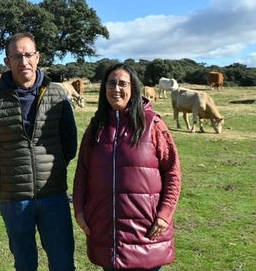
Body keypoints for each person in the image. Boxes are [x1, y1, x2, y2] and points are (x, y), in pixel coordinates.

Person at [0, 32, 78, 271]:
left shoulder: (57, 95)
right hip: (14, 198)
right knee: (24, 263)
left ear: (38, 57)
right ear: (6, 62)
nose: (24, 62)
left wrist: (55, 169)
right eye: (17, 56)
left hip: (53, 194)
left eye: (28, 55)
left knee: (63, 261)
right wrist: (5, 174)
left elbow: (69, 143)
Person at [73, 63, 181, 270]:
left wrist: (165, 214)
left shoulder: (152, 124)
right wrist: (79, 210)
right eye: (111, 83)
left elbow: (172, 171)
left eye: (123, 83)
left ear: (133, 88)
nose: (116, 89)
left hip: (147, 232)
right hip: (107, 234)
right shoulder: (96, 127)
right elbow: (82, 172)